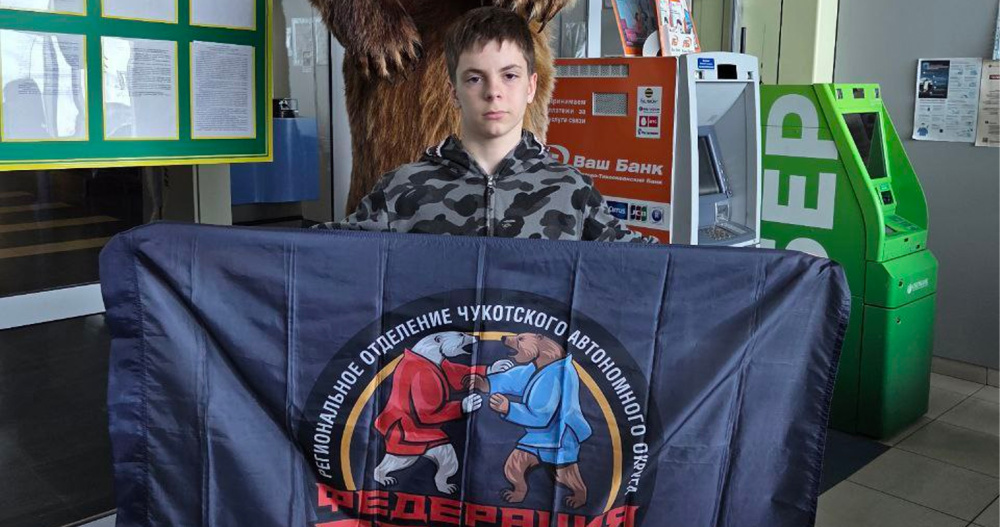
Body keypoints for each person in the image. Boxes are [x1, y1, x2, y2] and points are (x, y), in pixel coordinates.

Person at [315, 6, 656, 243]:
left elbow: (644, 267)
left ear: (530, 85)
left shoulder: (569, 192)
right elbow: (328, 256)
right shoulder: (401, 188)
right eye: (475, 79)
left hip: (527, 336)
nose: (494, 93)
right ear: (454, 90)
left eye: (510, 76)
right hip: (397, 68)